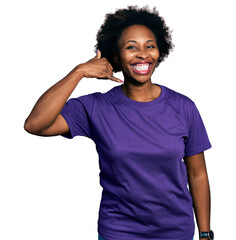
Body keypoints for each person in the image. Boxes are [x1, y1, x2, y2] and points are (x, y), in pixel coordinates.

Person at [24, 5, 214, 240]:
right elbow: (35, 124)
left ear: (159, 52)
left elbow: (198, 174)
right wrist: (79, 72)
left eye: (150, 46)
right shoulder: (95, 107)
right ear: (115, 56)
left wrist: (205, 233)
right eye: (131, 47)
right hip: (119, 232)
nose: (143, 54)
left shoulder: (183, 107)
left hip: (175, 232)